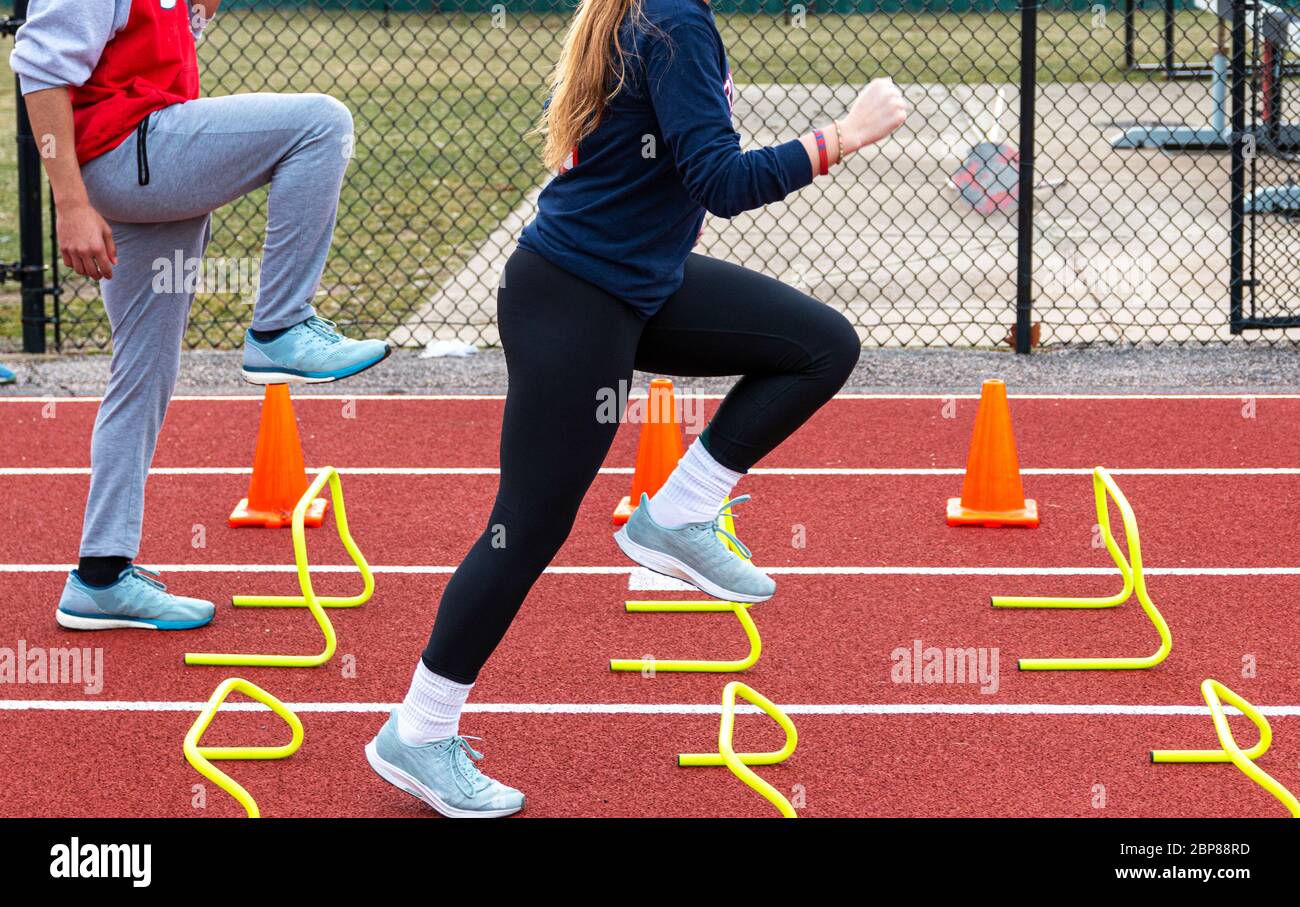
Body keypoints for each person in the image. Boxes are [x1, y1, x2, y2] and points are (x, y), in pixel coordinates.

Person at [365, 0, 906, 817]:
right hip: (577, 298)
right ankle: (419, 728)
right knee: (526, 529)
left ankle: (680, 512)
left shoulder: (659, 15)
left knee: (820, 345)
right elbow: (720, 184)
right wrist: (844, 135)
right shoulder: (673, 21)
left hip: (637, 281)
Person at [10, 0, 390, 631]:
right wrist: (70, 202)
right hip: (124, 153)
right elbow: (40, 69)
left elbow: (154, 50)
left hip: (146, 157)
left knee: (142, 374)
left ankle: (99, 577)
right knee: (322, 122)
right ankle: (280, 326)